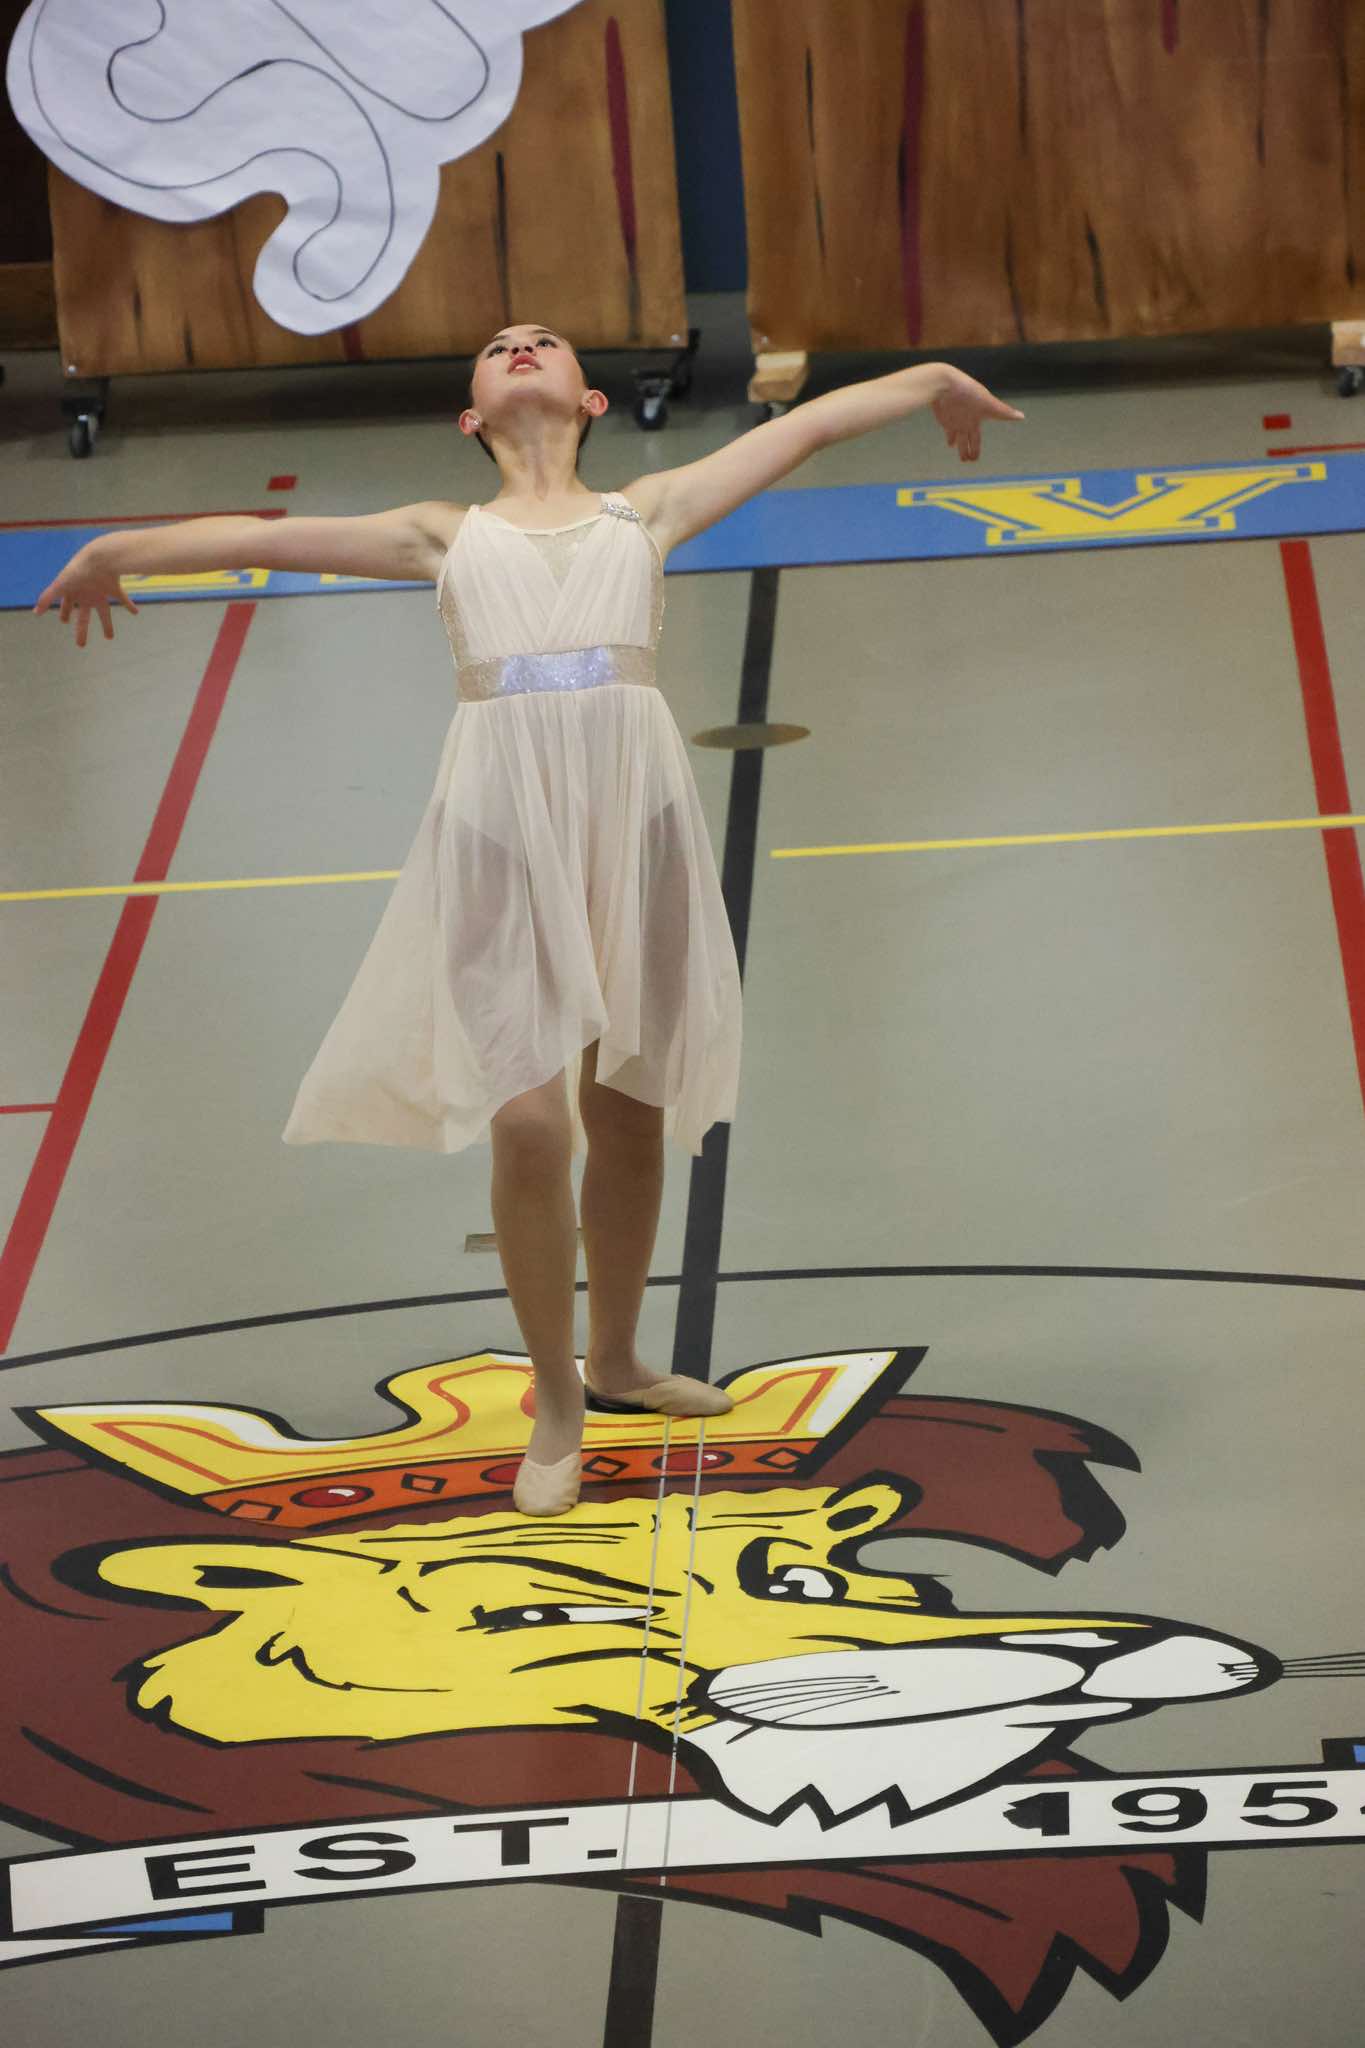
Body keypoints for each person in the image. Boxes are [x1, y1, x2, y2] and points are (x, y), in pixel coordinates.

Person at [33, 324, 1024, 1516]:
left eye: (542, 342)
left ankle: (618, 1359)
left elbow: (803, 427)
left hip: (636, 823)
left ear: (591, 398)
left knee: (630, 1109)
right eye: (500, 346)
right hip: (499, 832)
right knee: (529, 1123)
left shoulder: (646, 512)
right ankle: (557, 1397)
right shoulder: (442, 533)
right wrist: (115, 549)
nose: (521, 347)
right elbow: (260, 537)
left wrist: (930, 379)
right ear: (470, 417)